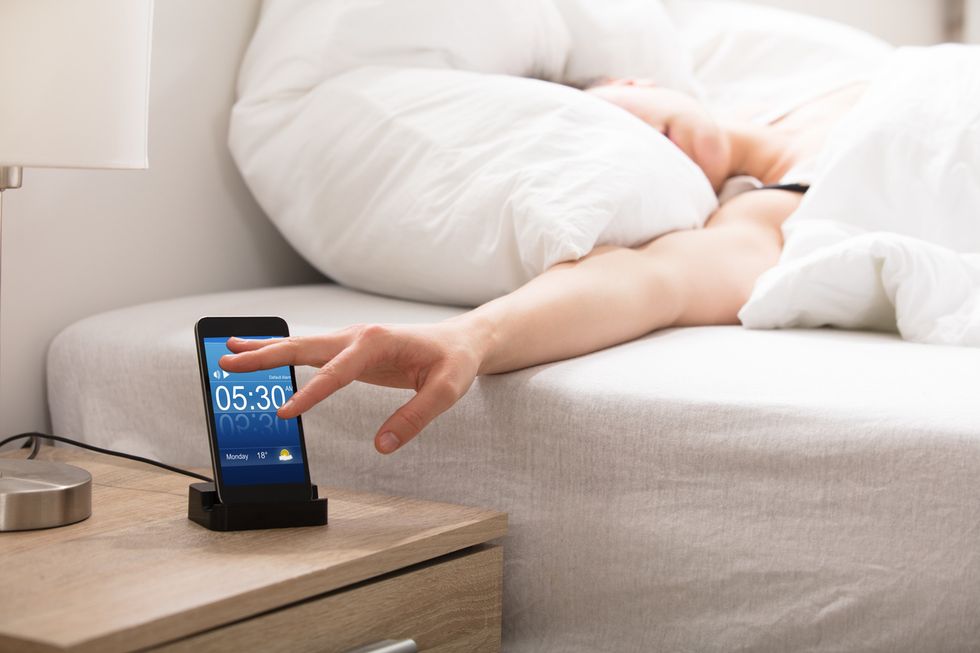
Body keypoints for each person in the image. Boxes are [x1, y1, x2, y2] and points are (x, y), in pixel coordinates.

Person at [220, 78, 868, 454]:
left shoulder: (829, 87)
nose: (620, 124)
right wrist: (469, 336)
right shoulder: (774, 215)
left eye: (614, 102)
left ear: (639, 80)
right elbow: (653, 280)